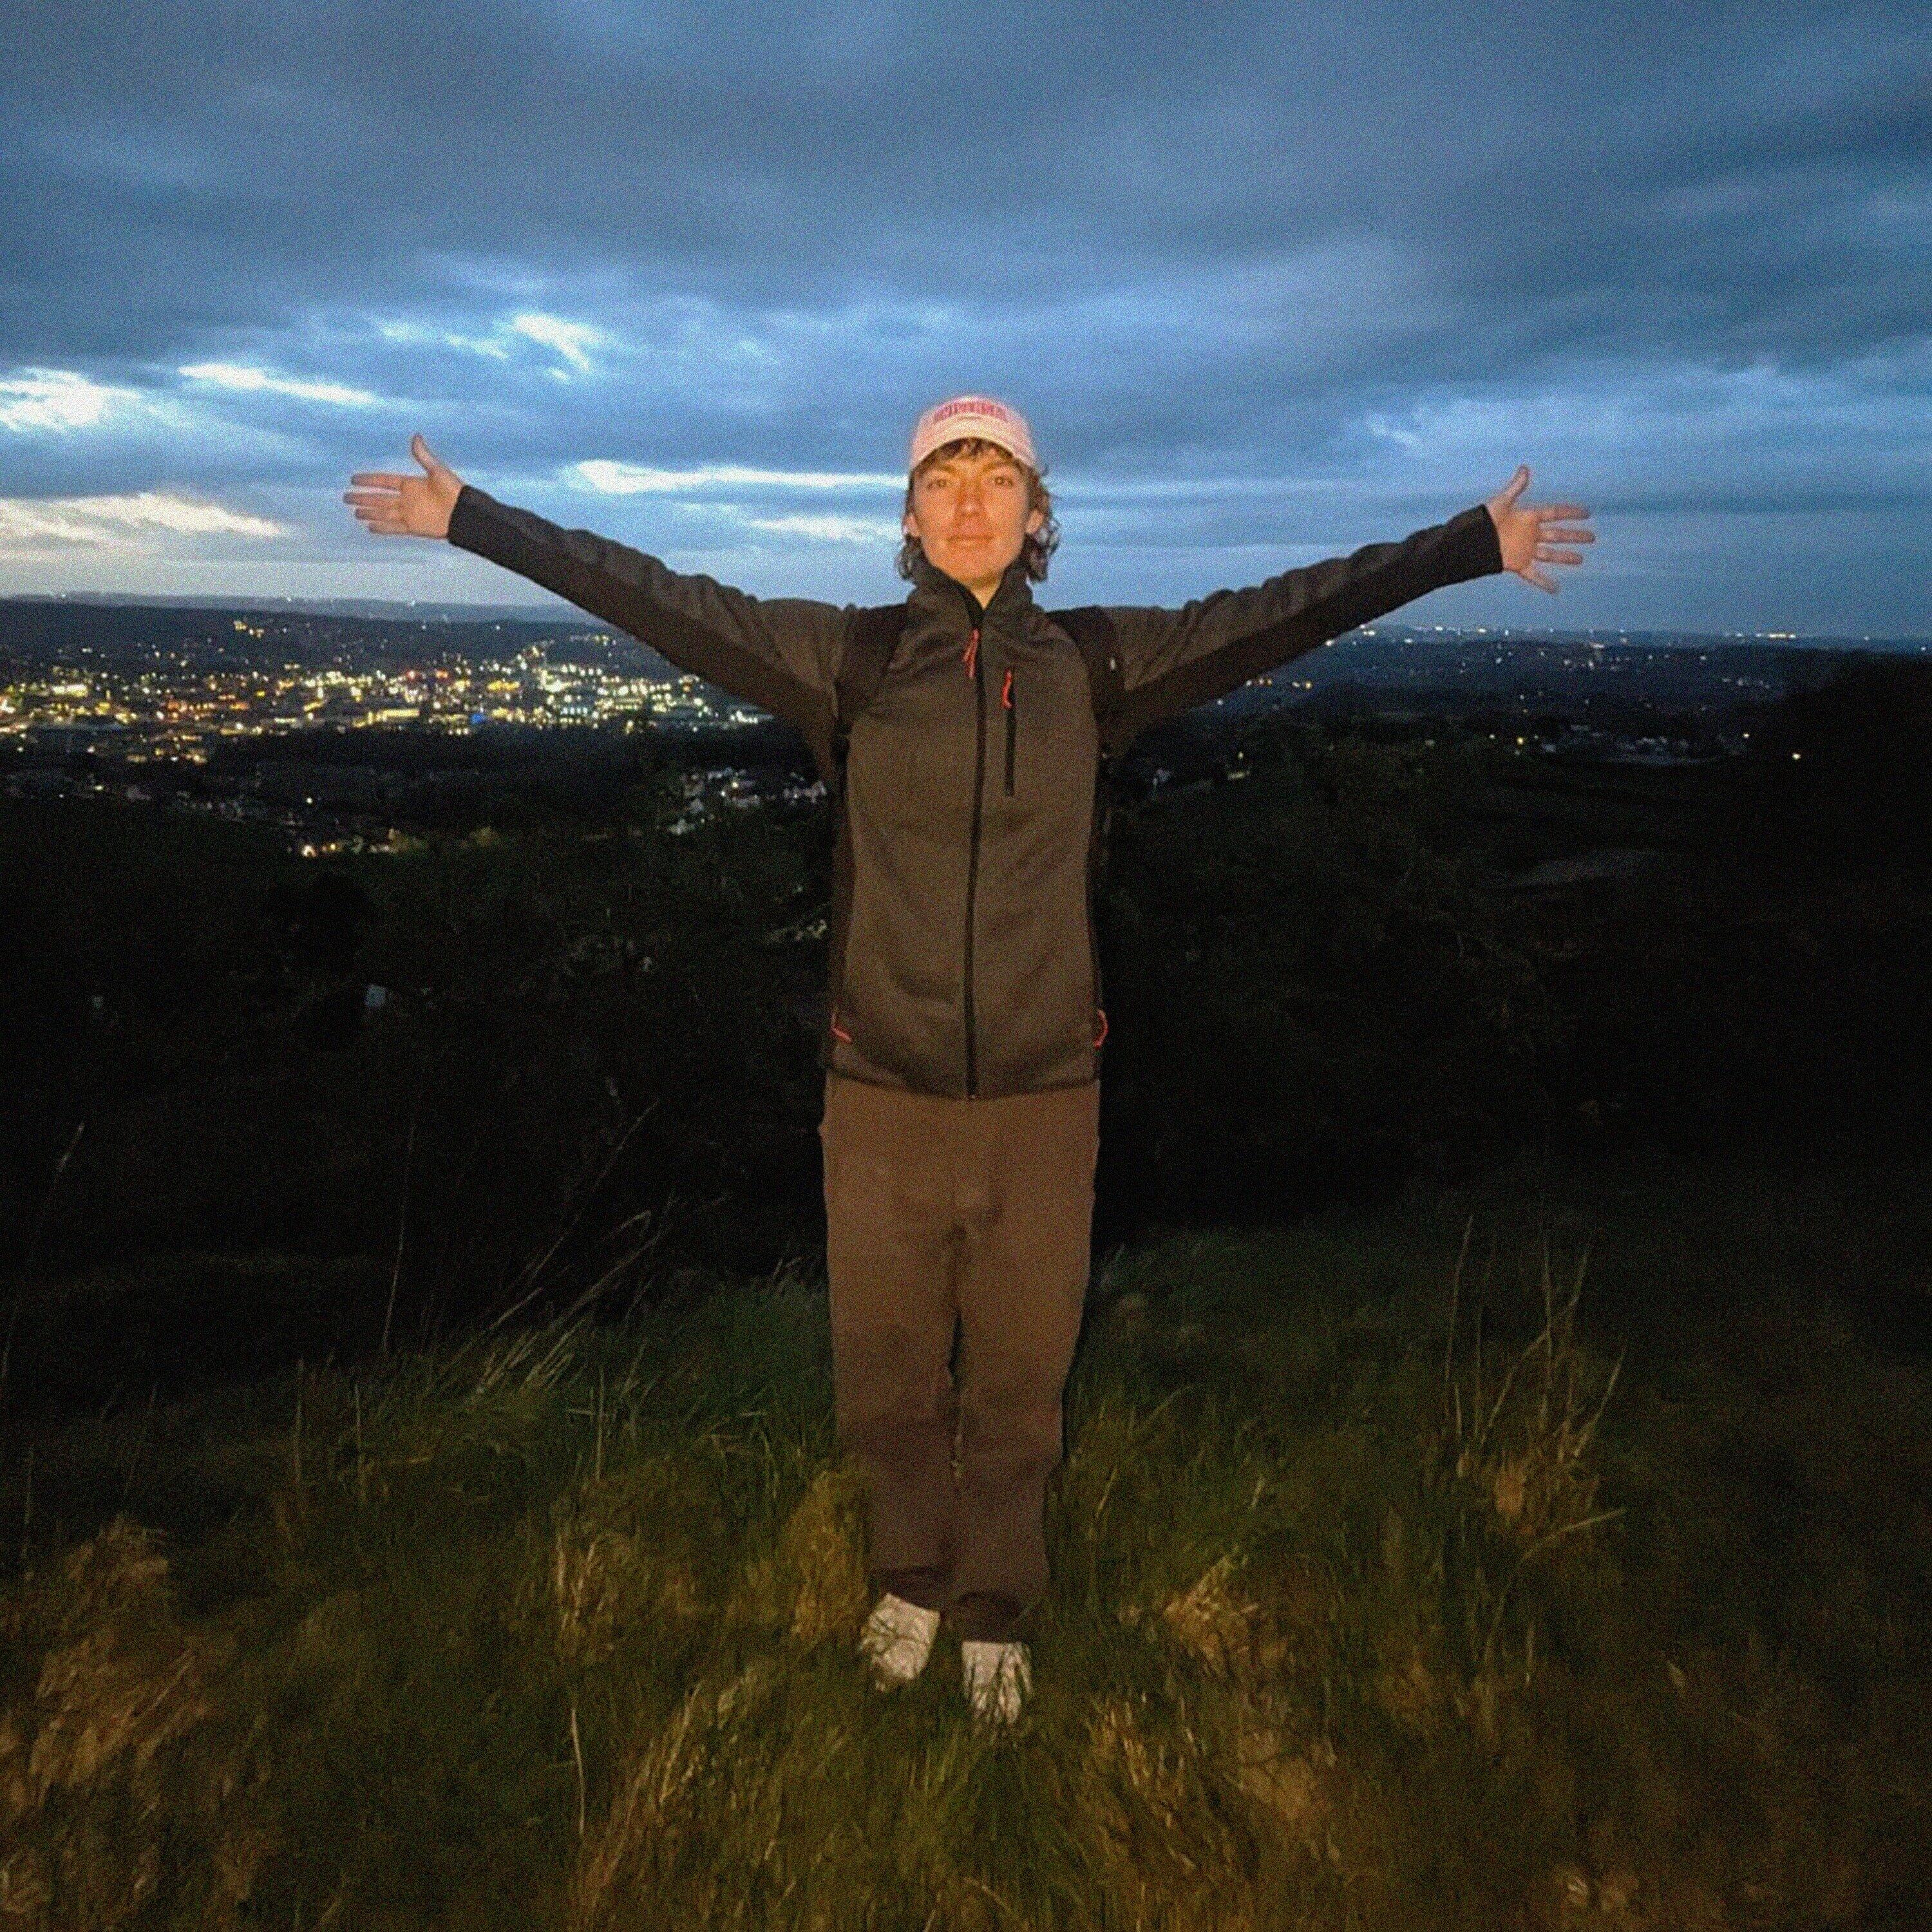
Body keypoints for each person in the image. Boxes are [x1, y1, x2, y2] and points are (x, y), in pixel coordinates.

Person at [345, 402, 1593, 1724]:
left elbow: (1288, 609)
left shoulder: (1098, 664)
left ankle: (996, 1598)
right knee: (886, 1368)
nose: (971, 496)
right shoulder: (851, 660)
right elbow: (655, 596)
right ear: (911, 517)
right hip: (881, 1089)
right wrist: (469, 519)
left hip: (1046, 1096)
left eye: (997, 474)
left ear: (1037, 513)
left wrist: (1468, 546)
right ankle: (910, 1575)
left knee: (1019, 1374)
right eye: (944, 476)